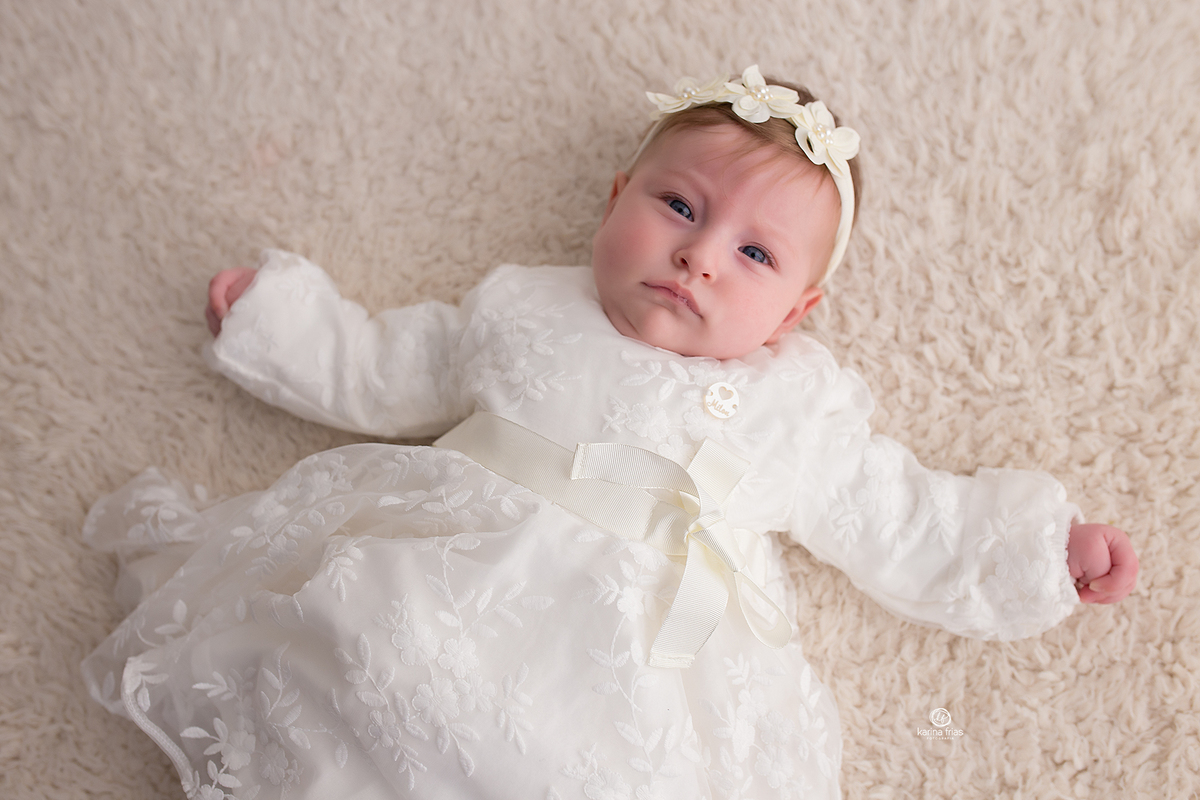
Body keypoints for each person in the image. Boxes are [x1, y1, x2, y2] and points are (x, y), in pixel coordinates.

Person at [83, 66, 1137, 799]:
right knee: (370, 661)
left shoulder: (802, 409)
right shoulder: (524, 312)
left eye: (755, 255)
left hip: (648, 658)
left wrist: (1039, 551)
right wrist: (281, 325)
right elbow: (388, 367)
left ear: (797, 315)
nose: (701, 256)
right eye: (678, 204)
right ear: (613, 197)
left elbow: (901, 517)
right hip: (461, 578)